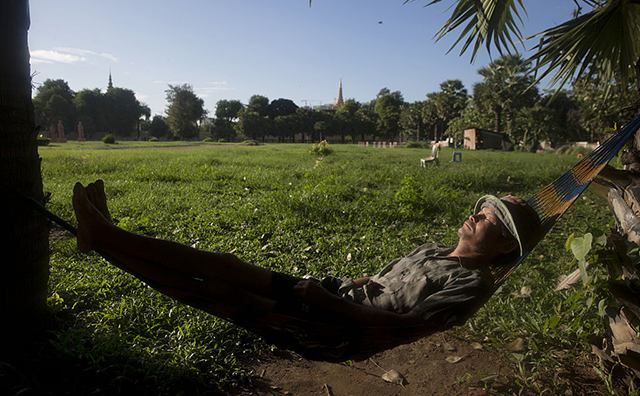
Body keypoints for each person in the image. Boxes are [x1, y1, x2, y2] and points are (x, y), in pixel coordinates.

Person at [72, 180, 541, 361]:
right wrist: (349, 284)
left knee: (219, 288)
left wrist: (329, 302)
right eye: (480, 211)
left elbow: (405, 326)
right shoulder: (434, 250)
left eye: (486, 219)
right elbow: (383, 280)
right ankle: (108, 235)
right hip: (330, 296)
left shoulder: (472, 285)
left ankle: (107, 239)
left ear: (502, 246)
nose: (474, 215)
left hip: (334, 324)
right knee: (230, 266)